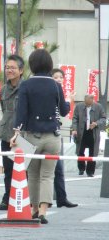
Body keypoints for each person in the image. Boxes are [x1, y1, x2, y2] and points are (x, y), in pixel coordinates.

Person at [10, 49, 70, 224]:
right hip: (53, 137)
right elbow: (65, 111)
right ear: (49, 65)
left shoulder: (26, 85)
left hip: (32, 136)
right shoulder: (55, 85)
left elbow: (21, 113)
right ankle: (43, 211)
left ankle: (34, 209)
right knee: (47, 175)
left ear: (32, 65)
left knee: (33, 174)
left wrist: (16, 133)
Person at [0, 55, 24, 211]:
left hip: (22, 136)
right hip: (6, 135)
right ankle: (7, 199)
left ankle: (25, 200)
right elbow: (4, 110)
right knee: (8, 169)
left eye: (13, 68)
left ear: (21, 70)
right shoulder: (4, 89)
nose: (9, 70)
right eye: (7, 67)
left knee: (24, 170)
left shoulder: (26, 88)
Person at [51, 68, 78, 208]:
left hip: (56, 131)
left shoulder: (58, 91)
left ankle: (61, 198)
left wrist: (69, 101)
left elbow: (63, 111)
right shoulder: (51, 91)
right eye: (56, 77)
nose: (59, 79)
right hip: (50, 132)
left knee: (58, 168)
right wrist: (69, 101)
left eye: (61, 77)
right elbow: (64, 110)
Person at [72, 94, 106, 177]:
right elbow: (75, 118)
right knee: (80, 151)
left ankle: (90, 171)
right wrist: (74, 129)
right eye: (86, 104)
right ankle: (81, 168)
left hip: (93, 132)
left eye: (89, 104)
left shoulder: (99, 107)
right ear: (84, 101)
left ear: (93, 101)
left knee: (93, 153)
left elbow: (104, 118)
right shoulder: (79, 106)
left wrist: (96, 123)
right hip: (81, 132)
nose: (87, 106)